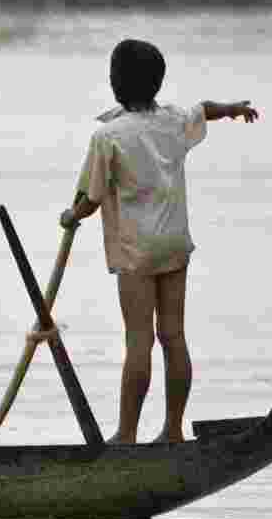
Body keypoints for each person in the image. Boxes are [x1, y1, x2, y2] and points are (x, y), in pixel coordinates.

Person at [58, 39, 258, 446]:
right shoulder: (172, 122)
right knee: (174, 337)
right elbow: (205, 109)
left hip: (136, 253)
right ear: (157, 83)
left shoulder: (108, 136)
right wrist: (234, 109)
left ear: (115, 83)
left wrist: (69, 217)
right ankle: (172, 430)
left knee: (139, 343)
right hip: (174, 246)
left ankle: (127, 435)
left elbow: (91, 199)